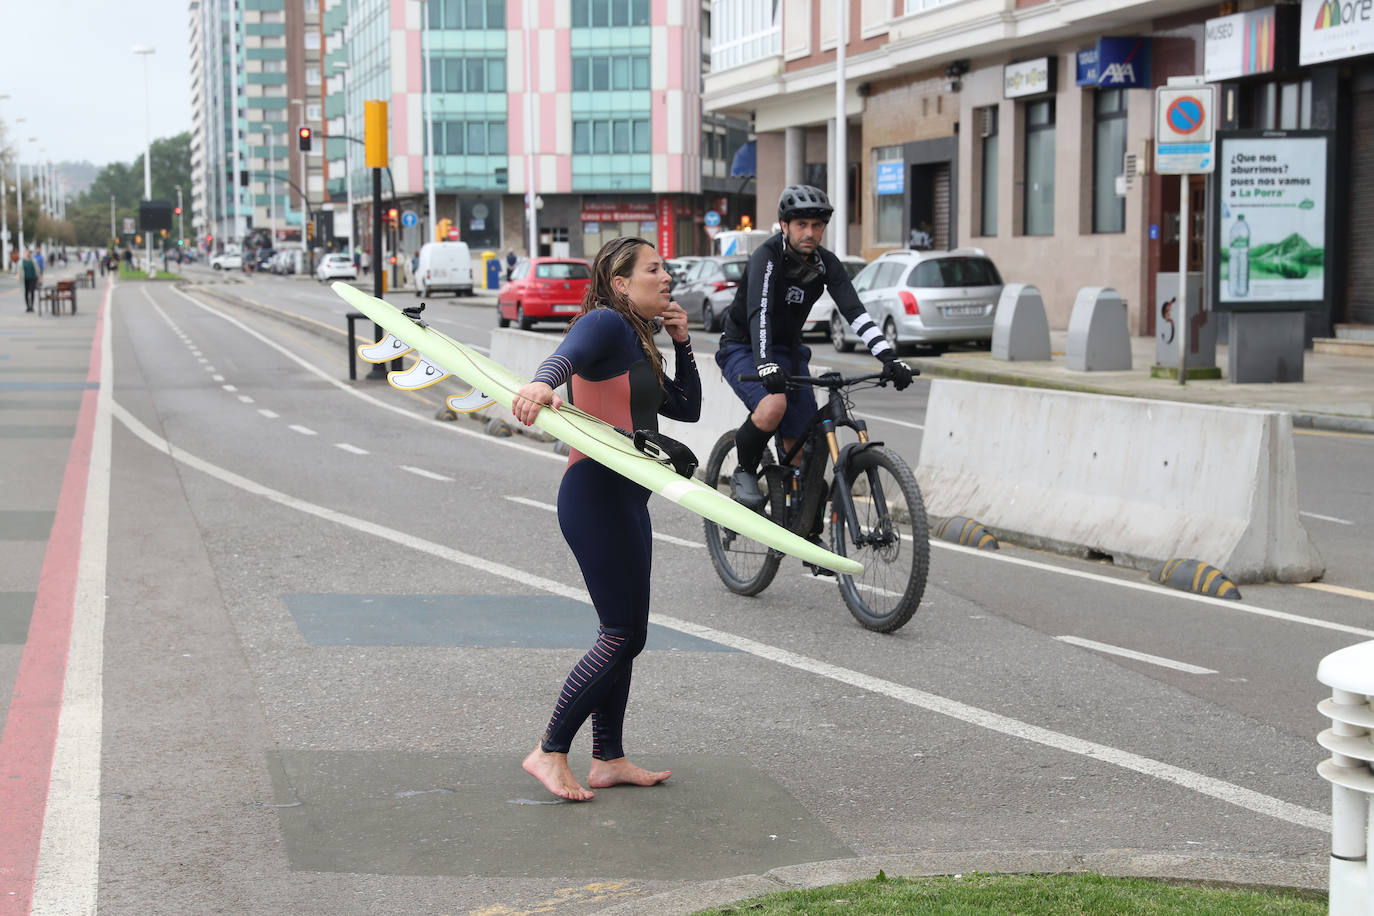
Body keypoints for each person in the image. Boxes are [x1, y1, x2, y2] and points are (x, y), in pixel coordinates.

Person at [511, 236, 700, 802]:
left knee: (629, 633)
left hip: (627, 499)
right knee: (620, 634)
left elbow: (687, 408)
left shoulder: (638, 342)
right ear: (621, 284)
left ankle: (608, 758)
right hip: (594, 493)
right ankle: (549, 751)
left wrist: (682, 341)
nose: (666, 277)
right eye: (653, 269)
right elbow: (566, 353)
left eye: (665, 268)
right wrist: (543, 384)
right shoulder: (607, 324)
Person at [716, 185, 914, 510]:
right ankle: (745, 470)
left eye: (817, 225)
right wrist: (764, 363)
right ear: (784, 225)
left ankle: (802, 525)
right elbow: (760, 314)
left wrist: (889, 357)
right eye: (801, 225)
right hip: (744, 346)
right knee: (772, 406)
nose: (810, 232)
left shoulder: (826, 264)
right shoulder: (767, 258)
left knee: (806, 446)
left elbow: (855, 313)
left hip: (789, 353)